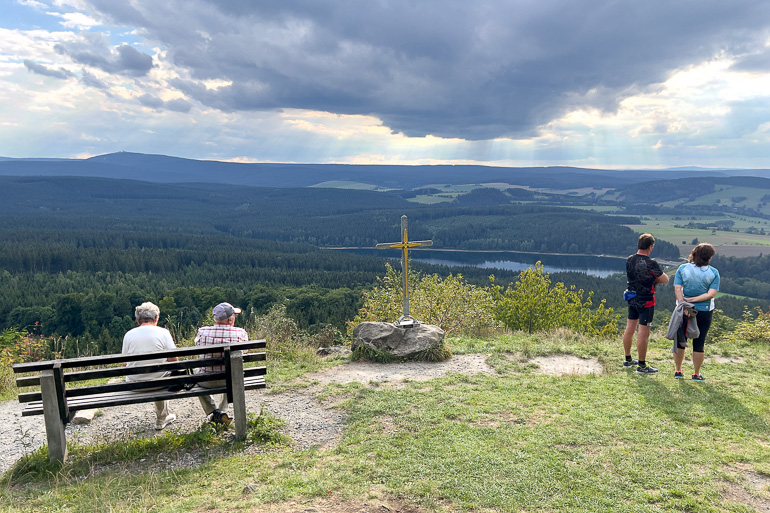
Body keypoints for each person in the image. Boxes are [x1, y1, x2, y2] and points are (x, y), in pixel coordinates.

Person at [122, 302, 178, 430]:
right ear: (156, 318)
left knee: (158, 373)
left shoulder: (128, 335)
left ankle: (162, 417)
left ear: (138, 320)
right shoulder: (163, 332)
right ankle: (161, 418)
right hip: (160, 383)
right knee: (163, 373)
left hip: (135, 384)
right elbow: (174, 359)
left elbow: (125, 363)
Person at [622, 233, 670, 373]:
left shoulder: (630, 259)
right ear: (650, 247)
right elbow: (665, 279)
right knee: (643, 334)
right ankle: (642, 365)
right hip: (646, 301)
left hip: (632, 298)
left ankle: (628, 359)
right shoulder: (651, 263)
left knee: (629, 329)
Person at [194, 302, 248, 424]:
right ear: (230, 320)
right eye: (234, 316)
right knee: (229, 369)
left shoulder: (202, 332)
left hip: (206, 381)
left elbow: (197, 345)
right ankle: (222, 410)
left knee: (195, 373)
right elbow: (244, 351)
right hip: (231, 380)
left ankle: (215, 411)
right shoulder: (240, 333)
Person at [673, 243, 720, 381]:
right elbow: (711, 294)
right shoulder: (714, 273)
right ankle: (696, 374)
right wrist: (694, 301)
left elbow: (677, 289)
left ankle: (678, 371)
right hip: (705, 311)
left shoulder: (682, 268)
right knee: (699, 342)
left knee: (681, 341)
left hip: (683, 310)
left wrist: (685, 304)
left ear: (694, 253)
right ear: (710, 257)